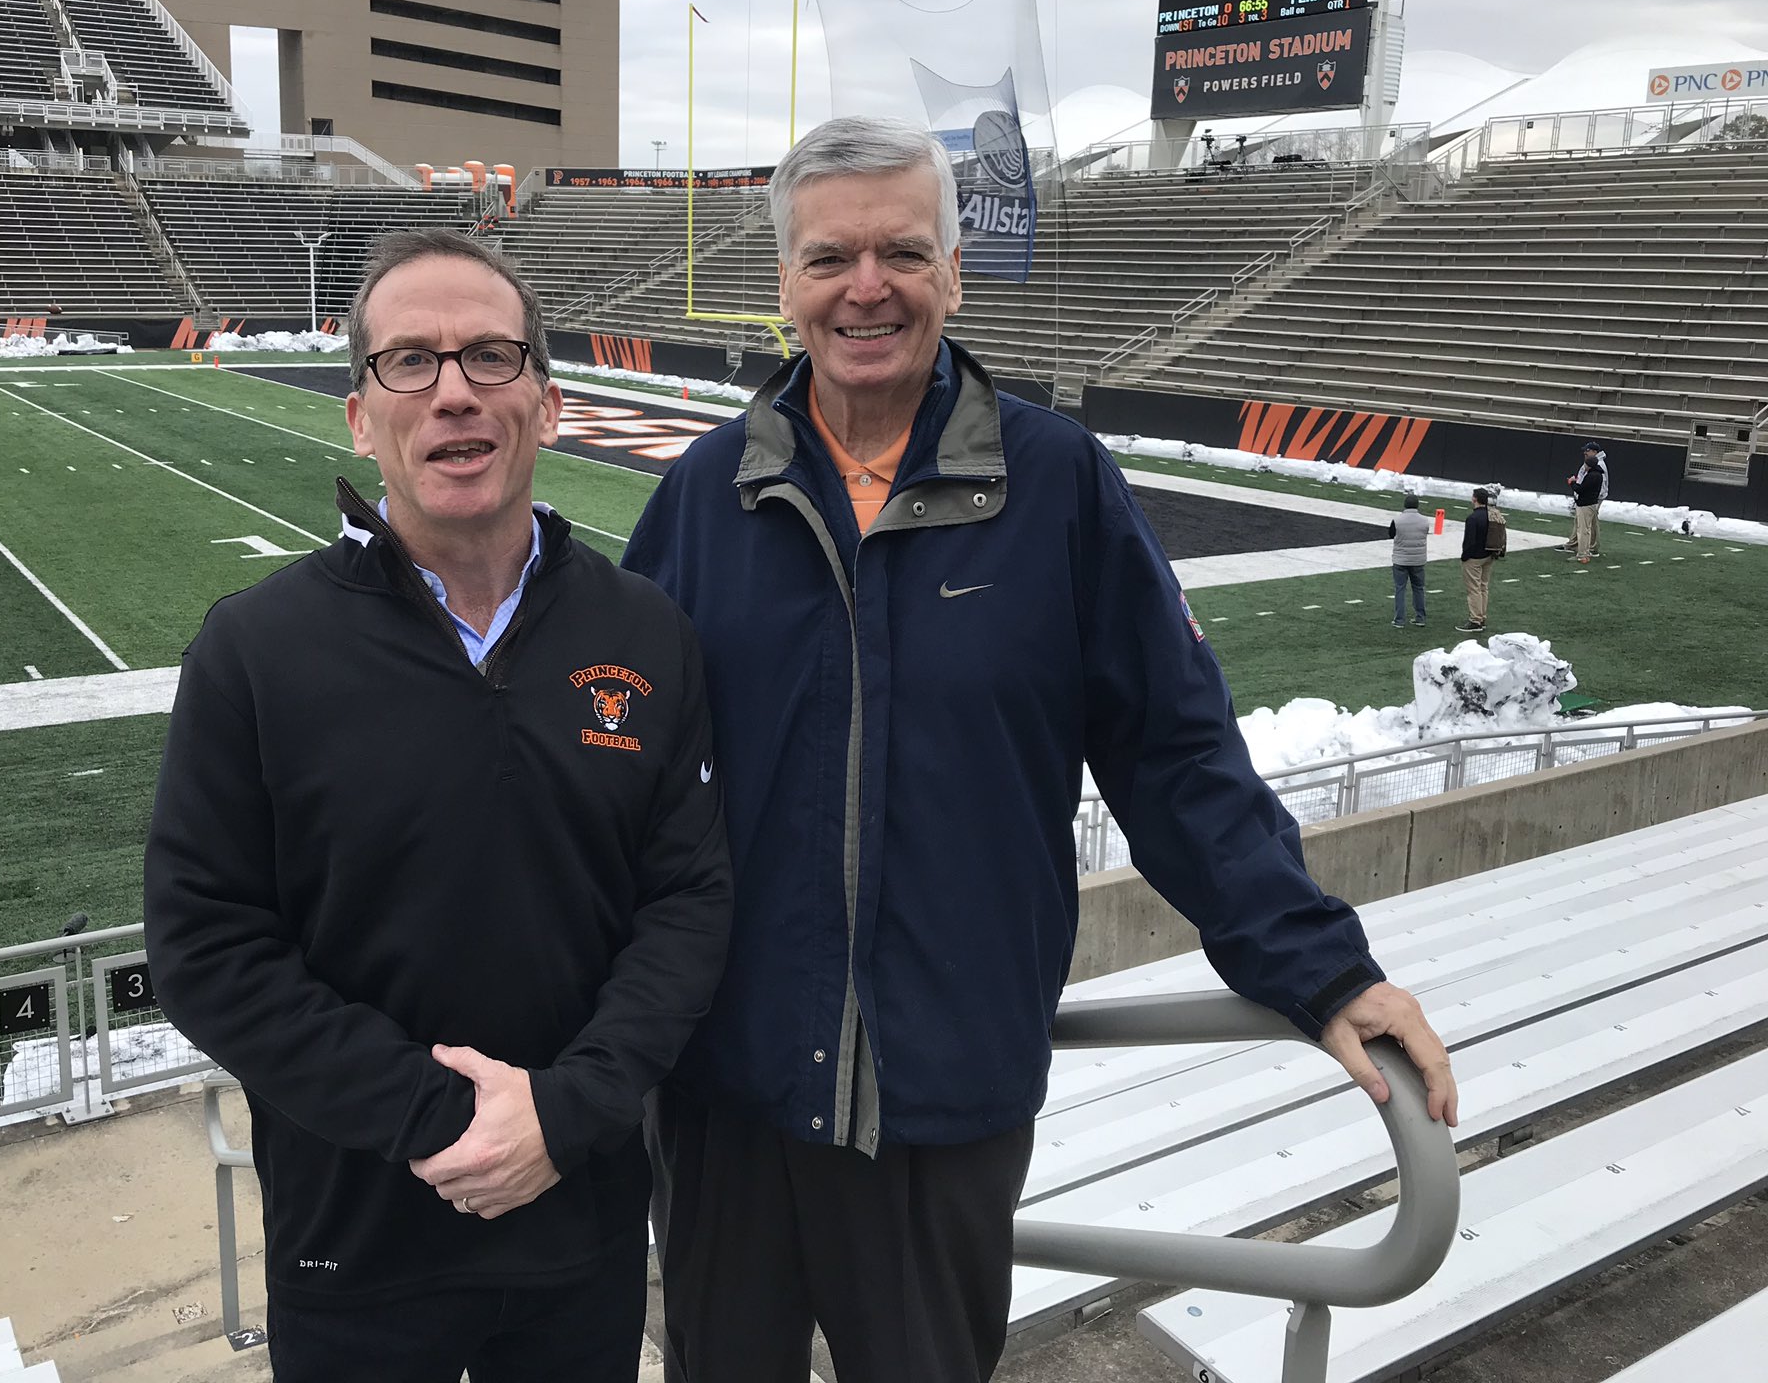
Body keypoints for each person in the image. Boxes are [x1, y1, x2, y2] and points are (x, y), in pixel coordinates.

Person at [621, 116, 1456, 1383]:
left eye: (902, 253)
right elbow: (617, 767)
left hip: (940, 1098)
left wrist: (1317, 964)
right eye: (828, 258)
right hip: (722, 1092)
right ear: (783, 283)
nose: (865, 288)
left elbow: (1173, 753)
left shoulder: (1056, 483)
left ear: (953, 273)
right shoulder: (702, 493)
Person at [144, 228, 731, 1383]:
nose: (454, 390)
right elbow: (206, 946)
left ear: (547, 405)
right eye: (410, 361)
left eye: (489, 356)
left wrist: (564, 1113)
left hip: (579, 1229)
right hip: (354, 1247)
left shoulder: (644, 633)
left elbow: (687, 903)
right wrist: (438, 1117)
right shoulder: (254, 650)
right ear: (360, 418)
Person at [1456, 486, 1508, 633]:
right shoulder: (1492, 515)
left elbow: (1469, 541)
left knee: (1473, 589)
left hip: (1474, 558)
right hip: (1489, 555)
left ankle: (1475, 620)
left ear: (1475, 499)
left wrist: (1465, 557)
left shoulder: (1473, 518)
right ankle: (1482, 617)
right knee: (1483, 587)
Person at [1388, 491, 1431, 627]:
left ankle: (1399, 620)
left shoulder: (1397, 520)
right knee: (1418, 588)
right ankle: (1420, 617)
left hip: (1400, 559)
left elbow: (1391, 534)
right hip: (1418, 560)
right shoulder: (1425, 521)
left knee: (1400, 589)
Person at [1567, 440, 1607, 564]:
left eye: (1588, 451)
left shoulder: (1593, 474)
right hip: (1590, 501)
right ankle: (1583, 548)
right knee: (1586, 527)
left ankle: (1584, 553)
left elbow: (1582, 489)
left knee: (1584, 528)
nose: (1585, 453)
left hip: (1586, 503)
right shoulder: (1597, 472)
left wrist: (1572, 483)